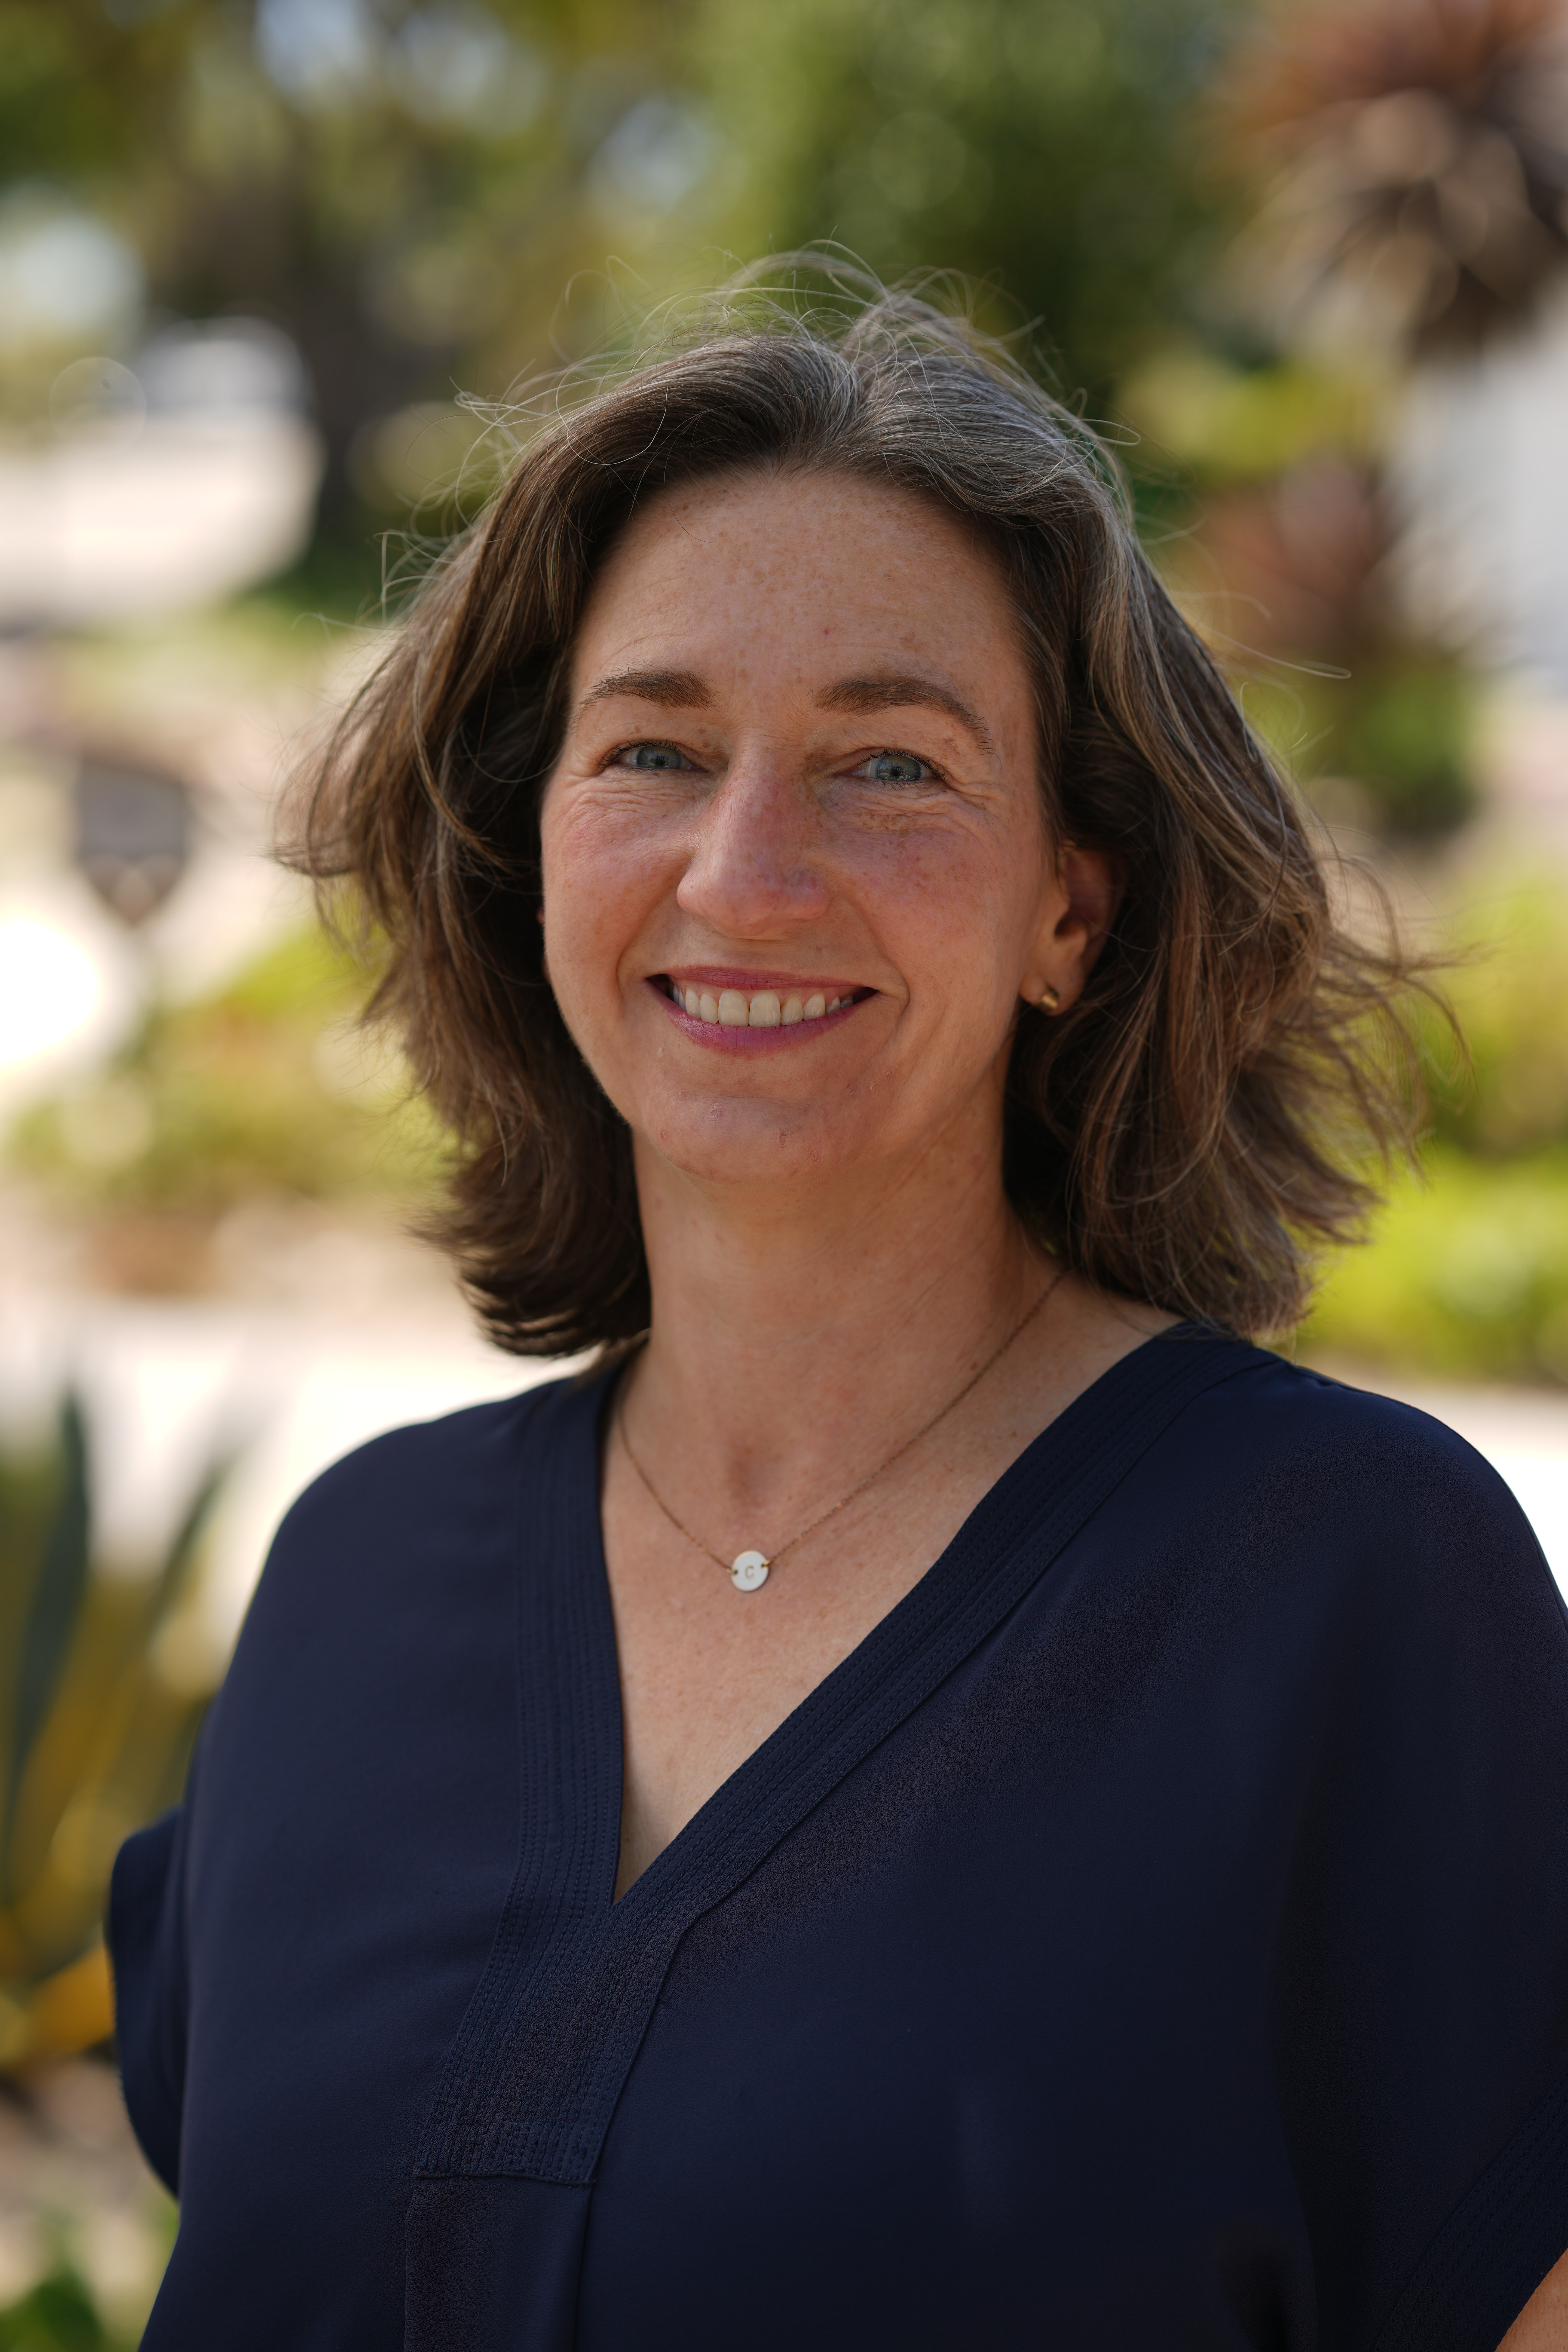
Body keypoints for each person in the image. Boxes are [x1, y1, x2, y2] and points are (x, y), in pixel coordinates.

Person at [110, 278, 1568, 2352]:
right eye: (655, 748)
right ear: (539, 854)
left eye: (889, 762)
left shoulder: (1348, 1590)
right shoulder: (353, 1582)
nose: (747, 866)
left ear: (1074, 904)